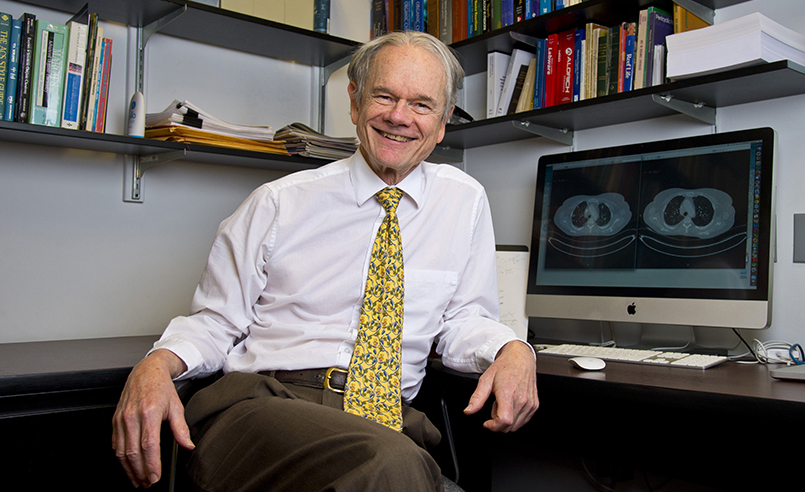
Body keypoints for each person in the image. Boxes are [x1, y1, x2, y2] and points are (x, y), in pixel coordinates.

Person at [112, 31, 538, 491]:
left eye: (421, 104)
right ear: (355, 103)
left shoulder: (464, 201)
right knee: (395, 465)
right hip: (266, 404)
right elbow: (216, 323)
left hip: (385, 421)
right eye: (384, 96)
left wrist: (512, 348)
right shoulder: (277, 203)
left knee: (396, 464)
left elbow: (463, 319)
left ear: (443, 121)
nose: (399, 117)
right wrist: (155, 366)